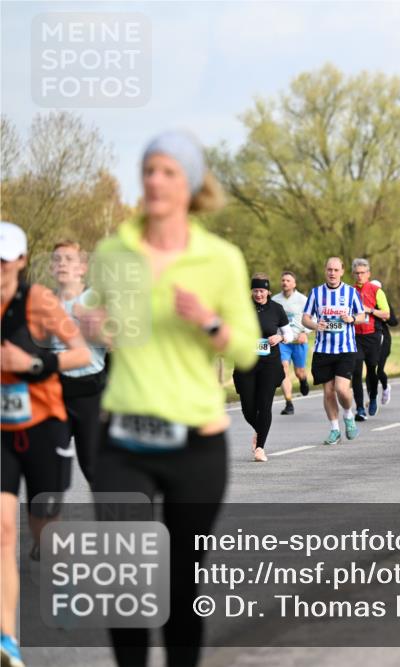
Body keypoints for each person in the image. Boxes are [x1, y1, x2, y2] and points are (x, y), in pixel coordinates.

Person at [85, 131, 259, 667]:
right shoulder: (114, 251)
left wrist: (207, 322)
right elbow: (99, 317)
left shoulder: (219, 259)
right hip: (123, 439)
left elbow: (249, 350)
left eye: (168, 172)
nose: (155, 181)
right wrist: (91, 325)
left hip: (195, 442)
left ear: (189, 185)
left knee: (182, 581)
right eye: (149, 170)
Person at [2, 222, 91, 667]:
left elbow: (80, 353)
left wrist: (34, 361)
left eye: (5, 259)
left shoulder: (39, 301)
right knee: (3, 530)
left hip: (44, 422)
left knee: (43, 522)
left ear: (20, 261)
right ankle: (7, 639)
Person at [49, 240, 109, 484]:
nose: (62, 263)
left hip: (90, 392)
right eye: (57, 259)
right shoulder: (45, 302)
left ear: (83, 267)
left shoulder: (97, 299)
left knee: (93, 467)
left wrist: (91, 324)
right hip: (54, 391)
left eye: (69, 259)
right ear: (51, 268)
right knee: (51, 468)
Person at [302, 257, 364, 445]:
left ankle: (348, 414)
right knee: (328, 392)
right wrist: (315, 325)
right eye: (329, 269)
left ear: (342, 271)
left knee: (341, 389)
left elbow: (362, 316)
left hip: (345, 349)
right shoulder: (316, 293)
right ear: (325, 271)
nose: (332, 273)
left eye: (336, 270)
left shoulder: (351, 292)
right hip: (323, 350)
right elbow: (305, 318)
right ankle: (335, 429)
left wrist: (351, 319)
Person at [234, 274, 295, 462]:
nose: (258, 294)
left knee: (264, 404)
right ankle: (259, 431)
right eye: (255, 291)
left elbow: (289, 334)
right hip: (246, 362)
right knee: (248, 407)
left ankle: (260, 447)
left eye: (262, 291)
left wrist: (280, 338)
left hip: (269, 363)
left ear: (268, 291)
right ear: (251, 291)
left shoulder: (277, 309)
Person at [350, 258, 390, 420]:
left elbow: (386, 314)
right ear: (353, 274)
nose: (360, 276)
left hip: (373, 335)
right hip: (355, 336)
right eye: (357, 273)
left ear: (368, 274)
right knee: (356, 372)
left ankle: (373, 397)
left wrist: (370, 310)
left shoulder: (376, 291)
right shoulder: (348, 291)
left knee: (372, 369)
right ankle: (359, 408)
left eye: (363, 273)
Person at [273, 271, 310, 416]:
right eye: (283, 280)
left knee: (299, 372)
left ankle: (303, 380)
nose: (285, 282)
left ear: (294, 284)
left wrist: (305, 332)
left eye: (288, 280)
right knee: (283, 369)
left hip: (298, 340)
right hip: (282, 341)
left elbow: (310, 317)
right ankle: (289, 403)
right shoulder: (275, 300)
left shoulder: (303, 300)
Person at [370, 279, 399, 407]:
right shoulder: (365, 304)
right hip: (369, 340)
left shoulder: (384, 304)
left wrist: (383, 316)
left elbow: (394, 321)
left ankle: (386, 387)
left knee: (379, 370)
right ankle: (373, 397)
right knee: (370, 370)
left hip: (384, 340)